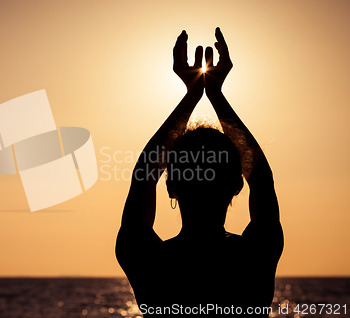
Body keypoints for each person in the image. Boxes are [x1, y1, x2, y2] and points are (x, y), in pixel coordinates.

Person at [115, 27, 284, 317]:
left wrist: (192, 94)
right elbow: (261, 177)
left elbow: (144, 174)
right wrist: (215, 93)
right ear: (236, 184)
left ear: (171, 187)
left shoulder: (149, 262)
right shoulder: (254, 257)